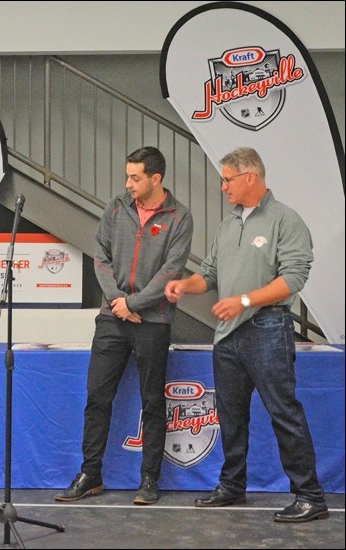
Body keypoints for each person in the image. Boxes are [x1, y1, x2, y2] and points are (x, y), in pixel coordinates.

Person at [165, 147, 328, 523]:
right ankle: (232, 486)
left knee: (284, 412)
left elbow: (293, 279)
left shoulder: (286, 220)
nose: (223, 187)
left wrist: (242, 300)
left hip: (268, 329)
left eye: (227, 179)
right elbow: (209, 274)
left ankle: (310, 496)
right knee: (230, 416)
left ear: (250, 177)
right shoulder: (228, 225)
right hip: (227, 336)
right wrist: (184, 285)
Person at [54, 146, 193, 506]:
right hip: (112, 317)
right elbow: (100, 254)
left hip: (154, 320)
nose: (128, 183)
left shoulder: (180, 217)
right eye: (127, 176)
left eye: (135, 177)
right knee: (97, 396)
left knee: (152, 402)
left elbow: (171, 271)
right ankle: (91, 474)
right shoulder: (117, 205)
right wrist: (118, 301)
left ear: (155, 178)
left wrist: (134, 303)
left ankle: (149, 480)